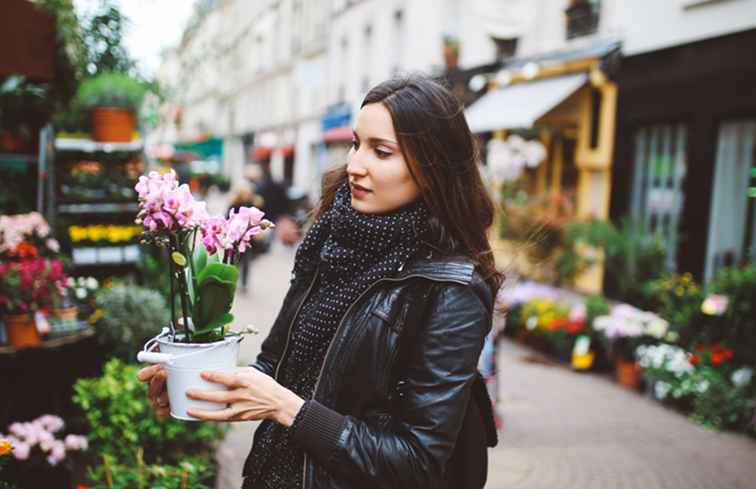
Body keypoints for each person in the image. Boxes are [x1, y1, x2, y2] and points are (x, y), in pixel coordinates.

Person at [138, 75, 503, 489]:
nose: (354, 165)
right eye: (355, 143)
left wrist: (287, 408)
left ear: (433, 168)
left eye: (381, 152)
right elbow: (276, 366)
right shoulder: (332, 238)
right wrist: (201, 384)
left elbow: (416, 462)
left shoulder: (452, 291)